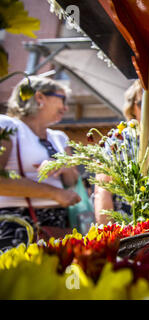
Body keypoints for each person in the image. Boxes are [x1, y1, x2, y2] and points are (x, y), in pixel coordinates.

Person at [0, 76, 80, 250]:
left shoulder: (59, 138)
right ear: (39, 97)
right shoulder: (6, 126)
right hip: (16, 223)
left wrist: (65, 168)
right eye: (62, 99)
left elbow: (72, 181)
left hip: (57, 224)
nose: (65, 108)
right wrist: (54, 193)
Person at [94, 80, 149, 224]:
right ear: (132, 108)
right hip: (129, 226)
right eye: (144, 104)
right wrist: (106, 231)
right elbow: (102, 189)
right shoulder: (118, 140)